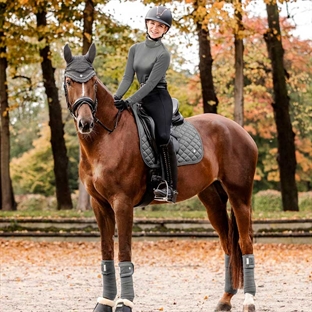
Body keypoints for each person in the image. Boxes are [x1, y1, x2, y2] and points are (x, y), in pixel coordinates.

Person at [114, 5, 178, 203]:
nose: (155, 28)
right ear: (147, 24)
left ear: (165, 30)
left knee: (162, 135)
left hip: (158, 98)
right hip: (139, 98)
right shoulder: (135, 49)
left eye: (160, 26)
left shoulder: (163, 54)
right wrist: (116, 98)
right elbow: (127, 78)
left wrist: (129, 101)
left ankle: (169, 186)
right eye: (152, 23)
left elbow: (150, 84)